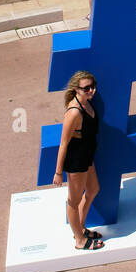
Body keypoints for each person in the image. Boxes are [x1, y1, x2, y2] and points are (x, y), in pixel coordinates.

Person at [52, 71, 102, 250]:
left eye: (93, 86)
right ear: (76, 89)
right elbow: (63, 144)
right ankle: (79, 240)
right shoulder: (74, 112)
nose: (91, 91)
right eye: (86, 88)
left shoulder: (87, 103)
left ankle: (80, 228)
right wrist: (58, 173)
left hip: (87, 155)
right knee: (73, 202)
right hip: (76, 161)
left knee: (93, 190)